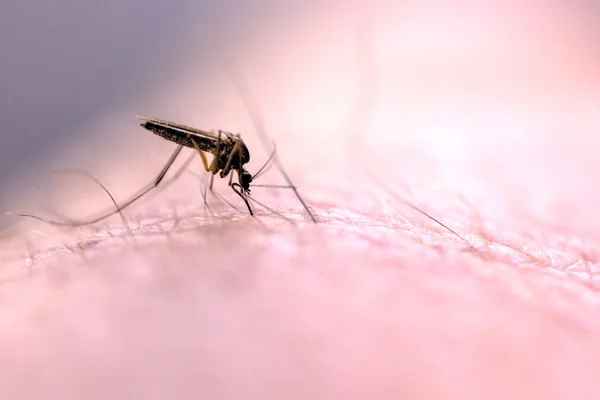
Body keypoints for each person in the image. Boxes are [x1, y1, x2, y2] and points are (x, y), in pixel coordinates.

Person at [1, 2, 600, 399]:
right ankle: (134, 200)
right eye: (241, 177)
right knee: (173, 173)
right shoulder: (226, 151)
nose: (240, 180)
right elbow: (221, 159)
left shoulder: (236, 153)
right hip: (191, 133)